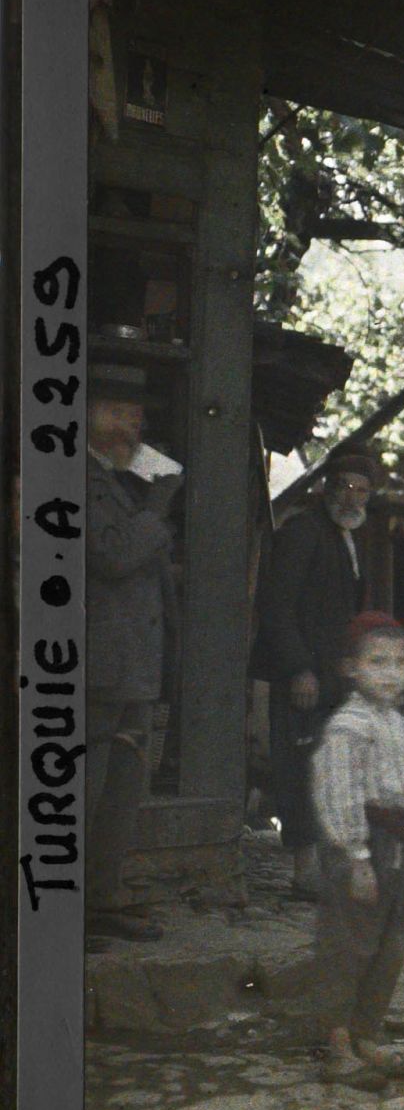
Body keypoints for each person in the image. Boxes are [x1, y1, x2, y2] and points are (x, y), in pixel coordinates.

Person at [310, 611, 404, 1087]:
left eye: (399, 663)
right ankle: (337, 1044)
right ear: (351, 669)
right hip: (361, 845)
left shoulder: (401, 729)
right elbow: (339, 794)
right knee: (350, 943)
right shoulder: (348, 728)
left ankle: (367, 1033)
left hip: (395, 847)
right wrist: (357, 857)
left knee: (391, 943)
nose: (390, 673)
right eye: (377, 662)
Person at [251, 450, 376, 898]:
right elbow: (277, 606)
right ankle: (305, 874)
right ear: (326, 489)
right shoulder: (304, 532)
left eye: (362, 490)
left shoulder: (346, 538)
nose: (352, 497)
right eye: (345, 486)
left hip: (334, 679)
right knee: (299, 771)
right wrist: (298, 668)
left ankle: (327, 868)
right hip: (303, 678)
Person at [83, 361, 177, 944]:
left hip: (131, 664)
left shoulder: (119, 482)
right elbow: (112, 555)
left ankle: (101, 898)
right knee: (82, 791)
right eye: (114, 413)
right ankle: (66, 911)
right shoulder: (73, 478)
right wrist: (157, 508)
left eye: (135, 418)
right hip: (95, 663)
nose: (128, 428)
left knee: (120, 793)